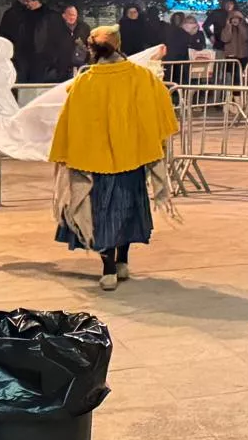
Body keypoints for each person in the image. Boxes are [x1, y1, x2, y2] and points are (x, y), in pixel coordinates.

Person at [48, 26, 179, 291]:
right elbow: (162, 115)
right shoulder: (143, 78)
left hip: (94, 163)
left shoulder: (84, 83)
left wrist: (66, 154)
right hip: (132, 159)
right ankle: (123, 262)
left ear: (92, 49)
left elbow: (69, 124)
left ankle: (108, 268)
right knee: (128, 210)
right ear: (118, 44)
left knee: (101, 213)